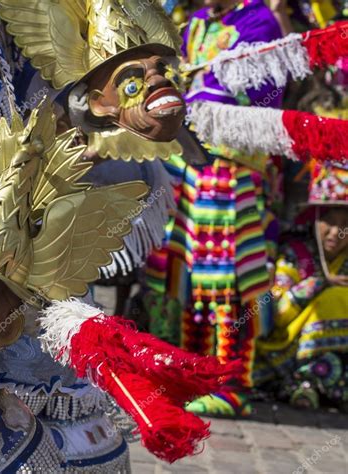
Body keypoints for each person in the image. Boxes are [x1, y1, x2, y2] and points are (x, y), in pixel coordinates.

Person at [145, 0, 289, 417]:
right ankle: (195, 374)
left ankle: (232, 383)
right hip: (188, 163)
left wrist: (197, 99)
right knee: (186, 275)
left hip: (231, 166)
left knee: (227, 279)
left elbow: (266, 90)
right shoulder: (196, 24)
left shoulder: (258, 21)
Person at [255, 163, 348, 410]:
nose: (336, 232)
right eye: (329, 222)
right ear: (315, 220)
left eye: (344, 225)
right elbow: (278, 313)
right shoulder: (294, 255)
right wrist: (319, 284)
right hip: (290, 349)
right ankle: (307, 382)